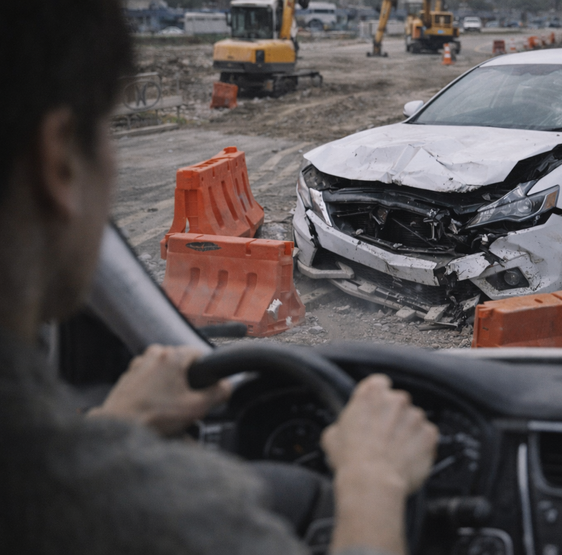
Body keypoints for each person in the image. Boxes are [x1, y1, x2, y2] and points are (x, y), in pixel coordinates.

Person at [0, 1, 438, 553]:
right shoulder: (165, 513)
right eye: (108, 130)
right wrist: (375, 481)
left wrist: (116, 425)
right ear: (58, 162)